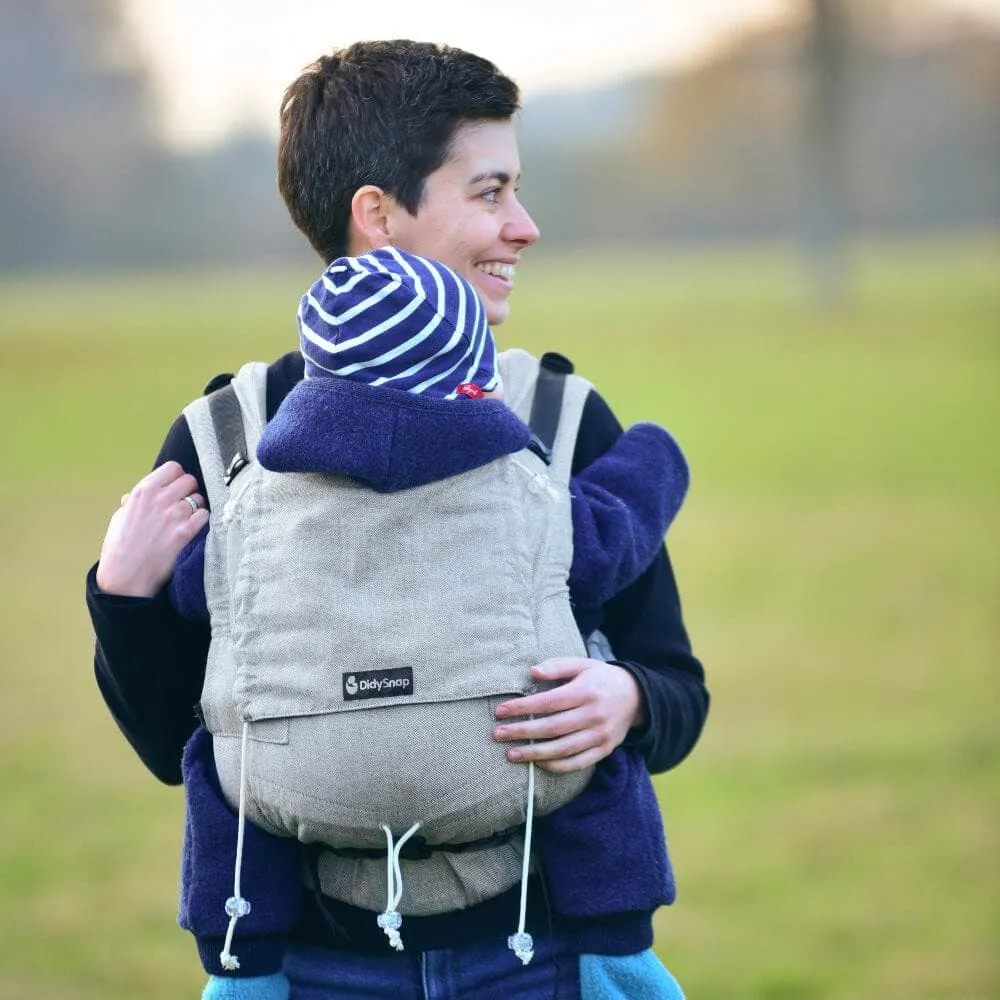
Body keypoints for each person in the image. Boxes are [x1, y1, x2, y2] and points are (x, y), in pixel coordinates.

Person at [87, 40, 709, 999]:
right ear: (376, 213)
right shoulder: (225, 442)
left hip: (541, 961)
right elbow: (181, 743)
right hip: (311, 969)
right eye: (491, 192)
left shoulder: (563, 419)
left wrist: (627, 700)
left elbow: (676, 688)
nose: (526, 226)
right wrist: (123, 598)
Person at [168, 244, 690, 999]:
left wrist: (133, 577)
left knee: (224, 759)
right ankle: (618, 952)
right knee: (595, 769)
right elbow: (615, 528)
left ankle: (243, 966)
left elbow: (196, 594)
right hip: (526, 878)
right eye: (490, 190)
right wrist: (657, 456)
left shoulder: (251, 505)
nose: (520, 225)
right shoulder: (527, 494)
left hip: (304, 822)